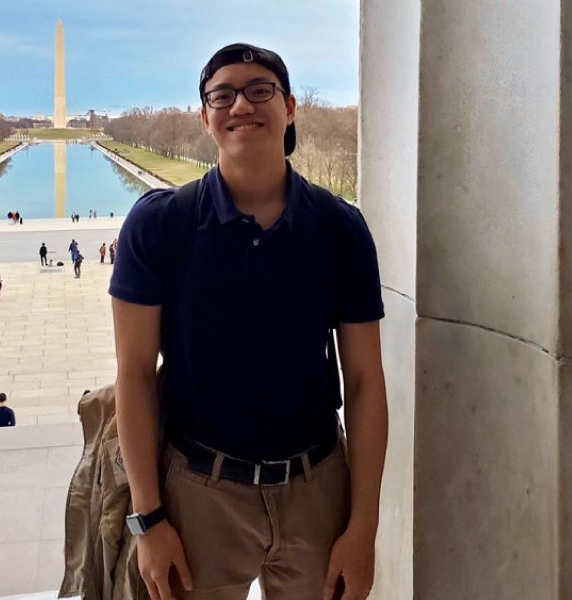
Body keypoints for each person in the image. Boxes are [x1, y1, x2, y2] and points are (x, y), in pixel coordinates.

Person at [109, 43, 387, 600]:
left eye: (260, 90)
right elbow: (133, 375)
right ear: (204, 115)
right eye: (223, 95)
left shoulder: (339, 228)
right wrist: (149, 520)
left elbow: (364, 382)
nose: (241, 105)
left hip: (316, 491)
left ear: (290, 108)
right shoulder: (159, 226)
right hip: (197, 495)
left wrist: (363, 529)